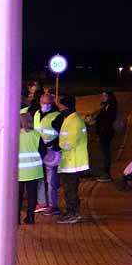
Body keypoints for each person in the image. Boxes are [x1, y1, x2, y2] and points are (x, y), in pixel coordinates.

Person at [56, 94, 89, 223]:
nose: (60, 109)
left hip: (72, 162)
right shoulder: (71, 119)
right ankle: (72, 211)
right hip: (70, 161)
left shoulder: (73, 121)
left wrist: (58, 146)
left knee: (70, 189)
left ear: (66, 106)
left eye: (61, 106)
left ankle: (73, 213)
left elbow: (70, 142)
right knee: (69, 188)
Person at [33, 92, 61, 214]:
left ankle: (53, 205)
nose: (46, 105)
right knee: (39, 178)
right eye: (44, 103)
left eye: (48, 103)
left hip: (51, 151)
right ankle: (43, 203)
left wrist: (52, 144)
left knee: (51, 180)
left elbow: (61, 135)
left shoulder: (57, 116)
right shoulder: (37, 114)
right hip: (38, 150)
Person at [18, 110, 43, 224]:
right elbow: (43, 152)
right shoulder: (37, 134)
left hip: (19, 171)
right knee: (32, 196)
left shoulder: (15, 135)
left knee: (17, 196)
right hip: (34, 171)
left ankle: (16, 218)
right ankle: (31, 217)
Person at [93, 91, 119, 182]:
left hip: (106, 133)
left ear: (109, 97)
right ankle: (105, 172)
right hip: (104, 132)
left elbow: (107, 121)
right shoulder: (105, 106)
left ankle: (106, 174)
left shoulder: (110, 107)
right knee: (104, 153)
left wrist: (100, 130)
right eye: (102, 95)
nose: (102, 97)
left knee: (106, 153)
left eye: (104, 95)